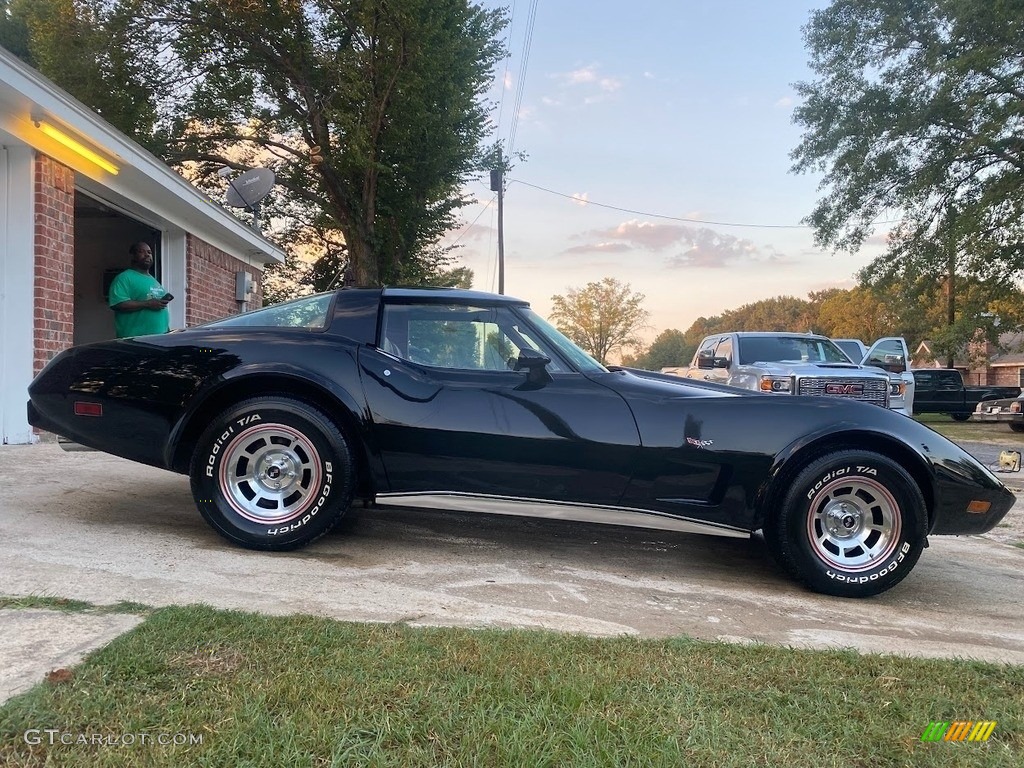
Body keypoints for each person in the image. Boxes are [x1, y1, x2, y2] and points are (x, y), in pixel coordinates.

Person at [108, 241, 172, 338]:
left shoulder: (154, 281)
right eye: (142, 252)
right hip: (136, 341)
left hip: (160, 339)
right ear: (133, 256)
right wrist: (147, 304)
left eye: (149, 252)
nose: (147, 255)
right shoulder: (124, 278)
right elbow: (117, 304)